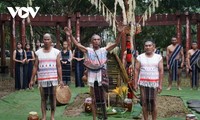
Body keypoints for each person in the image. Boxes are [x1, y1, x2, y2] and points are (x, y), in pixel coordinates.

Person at [64, 24, 124, 120]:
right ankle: (94, 118)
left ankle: (104, 116)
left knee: (103, 97)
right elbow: (77, 45)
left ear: (100, 41)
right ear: (92, 41)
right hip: (92, 74)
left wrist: (120, 33)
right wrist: (70, 35)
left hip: (101, 74)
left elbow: (116, 43)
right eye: (94, 39)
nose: (96, 41)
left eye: (98, 39)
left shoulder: (104, 50)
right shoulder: (89, 50)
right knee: (93, 98)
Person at [29, 33, 64, 120]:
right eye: (45, 39)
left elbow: (59, 66)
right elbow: (35, 66)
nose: (46, 41)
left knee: (53, 98)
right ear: (42, 41)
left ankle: (52, 116)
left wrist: (61, 80)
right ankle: (44, 117)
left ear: (51, 41)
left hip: (53, 79)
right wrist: (32, 79)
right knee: (43, 98)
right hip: (42, 79)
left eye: (48, 39)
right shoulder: (38, 52)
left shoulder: (56, 52)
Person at [134, 41, 163, 120]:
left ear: (153, 47)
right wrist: (135, 84)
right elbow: (136, 70)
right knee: (144, 103)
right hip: (143, 83)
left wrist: (160, 85)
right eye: (146, 46)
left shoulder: (158, 57)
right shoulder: (140, 57)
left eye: (150, 45)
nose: (148, 47)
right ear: (144, 47)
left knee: (154, 103)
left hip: (154, 83)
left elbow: (161, 71)